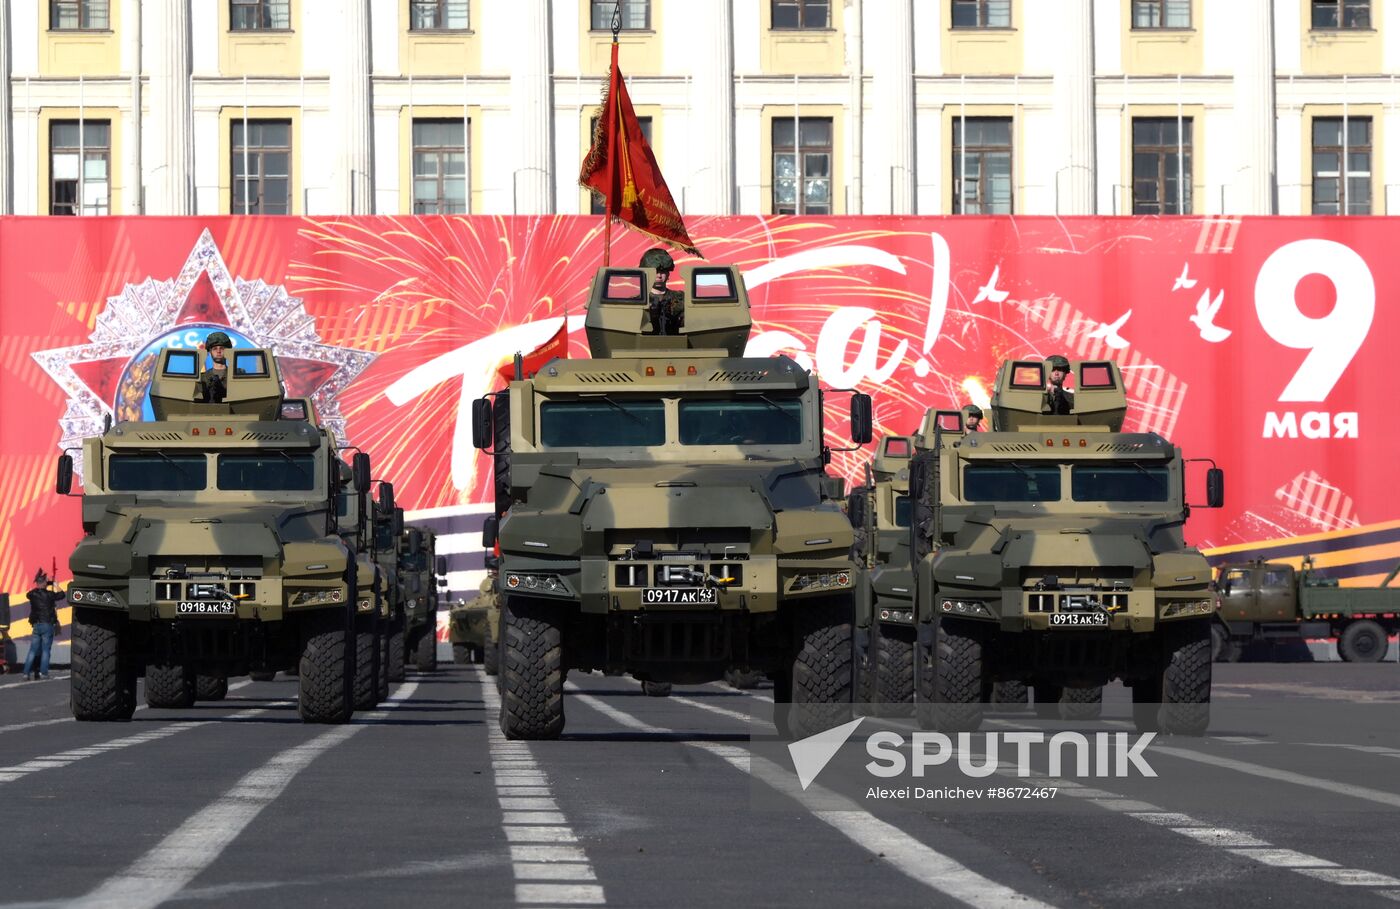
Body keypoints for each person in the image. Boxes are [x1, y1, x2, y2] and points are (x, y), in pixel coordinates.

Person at [23, 569, 64, 681]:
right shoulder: (50, 595)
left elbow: (31, 592)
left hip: (36, 625)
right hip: (47, 624)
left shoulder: (32, 594)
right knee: (46, 650)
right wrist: (55, 584)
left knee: (33, 650)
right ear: (45, 583)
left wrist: (45, 583)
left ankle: (26, 673)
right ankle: (43, 673)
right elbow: (62, 595)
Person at [640, 248, 684, 336]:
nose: (659, 276)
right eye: (655, 272)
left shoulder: (681, 298)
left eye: (663, 271)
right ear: (646, 273)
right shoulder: (637, 301)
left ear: (668, 274)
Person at [194, 330, 233, 403]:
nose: (218, 351)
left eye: (222, 348)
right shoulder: (202, 379)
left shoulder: (235, 376)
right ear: (209, 352)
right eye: (215, 348)